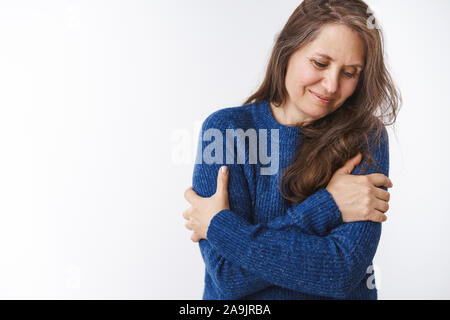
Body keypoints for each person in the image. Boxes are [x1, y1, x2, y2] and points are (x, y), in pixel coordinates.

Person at [182, 0, 401, 300]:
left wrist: (221, 228)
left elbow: (341, 272)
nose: (331, 85)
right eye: (320, 63)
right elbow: (228, 276)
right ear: (288, 50)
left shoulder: (365, 137)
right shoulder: (226, 132)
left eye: (350, 72)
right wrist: (329, 206)